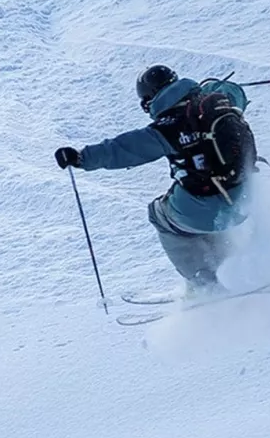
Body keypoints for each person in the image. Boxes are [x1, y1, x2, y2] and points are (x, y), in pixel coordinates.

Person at [54, 65, 257, 291]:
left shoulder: (167, 128)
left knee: (160, 216)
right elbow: (235, 91)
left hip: (205, 209)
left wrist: (81, 158)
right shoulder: (218, 102)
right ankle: (239, 264)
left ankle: (206, 283)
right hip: (247, 198)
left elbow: (121, 149)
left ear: (149, 100)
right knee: (202, 211)